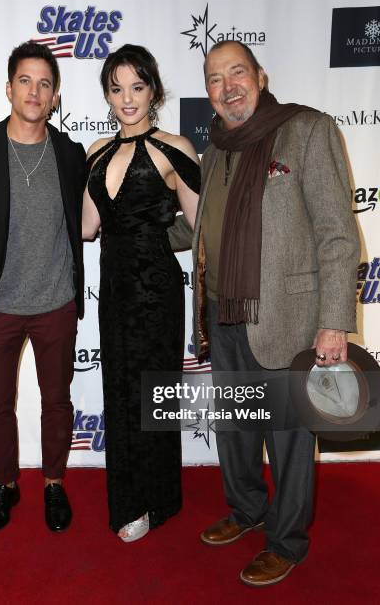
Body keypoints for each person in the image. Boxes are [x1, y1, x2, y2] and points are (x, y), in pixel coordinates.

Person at [176, 41, 359, 585]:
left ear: (260, 75)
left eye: (237, 73)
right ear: (207, 91)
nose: (227, 86)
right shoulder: (211, 153)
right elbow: (195, 230)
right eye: (214, 78)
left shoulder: (306, 130)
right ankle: (247, 509)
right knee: (235, 431)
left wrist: (333, 322)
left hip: (289, 317)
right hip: (223, 316)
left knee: (288, 438)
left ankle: (287, 541)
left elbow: (337, 233)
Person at [0, 41, 86, 534]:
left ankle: (53, 483)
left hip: (56, 306)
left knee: (57, 402)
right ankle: (5, 485)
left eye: (45, 83)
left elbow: (87, 221)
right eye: (25, 80)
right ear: (9, 88)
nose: (34, 90)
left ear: (55, 96)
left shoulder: (70, 154)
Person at [82, 44, 200, 542]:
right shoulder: (95, 152)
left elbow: (198, 227)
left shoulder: (176, 148)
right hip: (114, 289)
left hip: (156, 288)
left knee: (153, 391)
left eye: (137, 86)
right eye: (116, 88)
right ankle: (131, 498)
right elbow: (88, 228)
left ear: (153, 89)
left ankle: (158, 498)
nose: (127, 98)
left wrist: (151, 233)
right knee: (121, 391)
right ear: (107, 95)